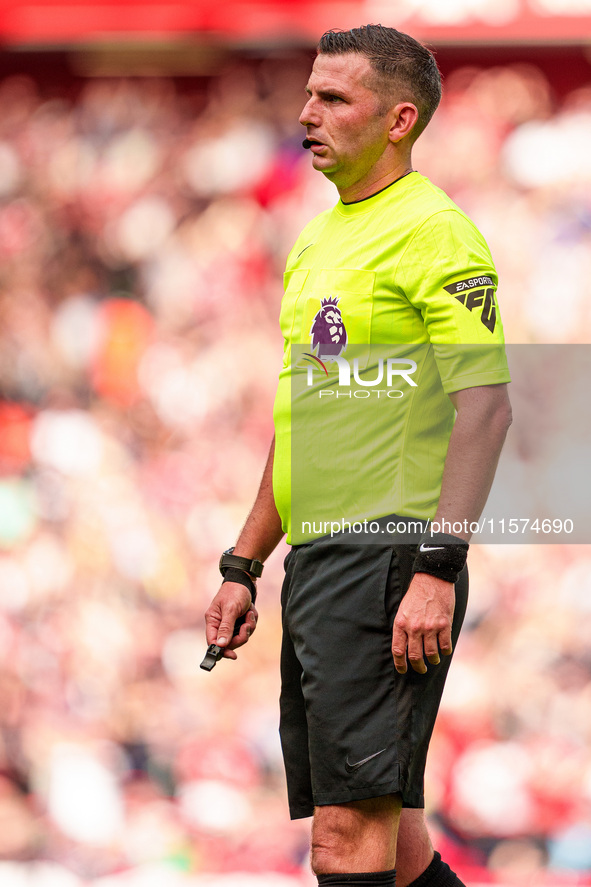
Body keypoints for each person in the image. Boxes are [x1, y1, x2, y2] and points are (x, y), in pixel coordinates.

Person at [205, 24, 512, 887]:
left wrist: (437, 565)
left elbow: (484, 408)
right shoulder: (316, 240)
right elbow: (301, 418)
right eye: (308, 93)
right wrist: (243, 561)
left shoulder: (436, 233)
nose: (306, 113)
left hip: (388, 554)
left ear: (399, 120)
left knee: (343, 839)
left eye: (333, 98)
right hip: (318, 557)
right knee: (393, 843)